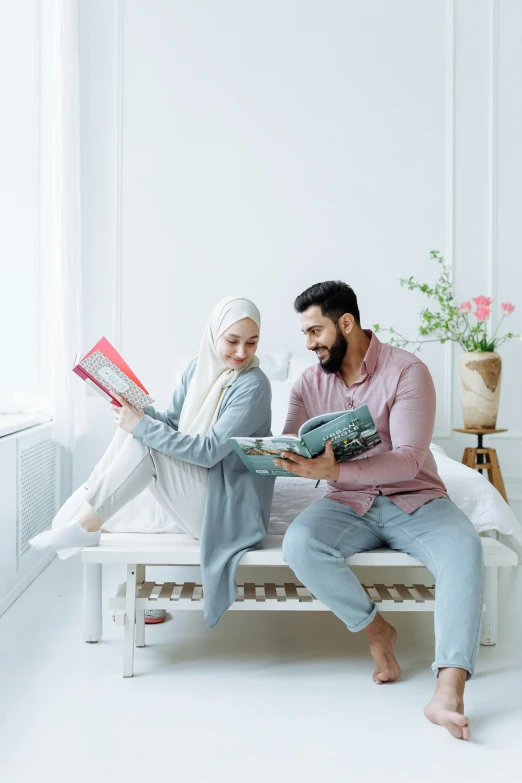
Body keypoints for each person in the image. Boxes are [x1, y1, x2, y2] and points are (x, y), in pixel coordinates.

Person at [274, 281, 483, 741]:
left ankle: (448, 692)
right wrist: (279, 456)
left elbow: (409, 456)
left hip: (416, 499)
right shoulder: (309, 382)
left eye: (315, 332)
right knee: (300, 544)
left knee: (465, 550)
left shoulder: (408, 371)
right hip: (348, 506)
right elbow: (286, 444)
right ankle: (377, 634)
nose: (309, 344)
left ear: (346, 323)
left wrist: (335, 470)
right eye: (305, 335)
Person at [30, 296, 275, 628]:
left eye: (252, 342)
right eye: (232, 341)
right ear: (213, 335)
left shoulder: (254, 384)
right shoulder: (196, 370)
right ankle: (86, 511)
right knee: (135, 434)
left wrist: (142, 426)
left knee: (144, 440)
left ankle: (84, 523)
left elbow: (209, 451)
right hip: (205, 489)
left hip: (231, 508)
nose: (242, 352)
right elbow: (172, 421)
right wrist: (132, 407)